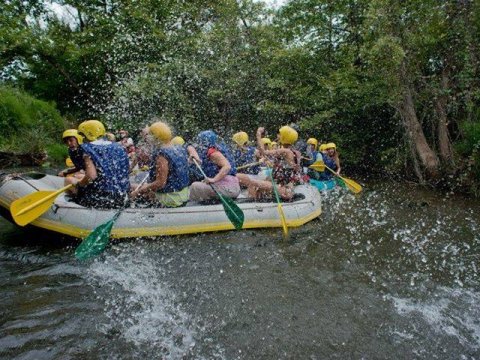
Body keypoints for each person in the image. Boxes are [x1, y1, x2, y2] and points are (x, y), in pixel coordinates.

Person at [130, 122, 190, 207]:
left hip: (172, 198)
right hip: (183, 195)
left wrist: (138, 191)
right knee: (141, 188)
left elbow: (160, 183)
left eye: (150, 135)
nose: (147, 138)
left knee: (133, 188)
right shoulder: (178, 148)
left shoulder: (162, 155)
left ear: (156, 137)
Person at [74, 120, 130, 208]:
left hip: (100, 198)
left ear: (86, 135)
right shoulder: (118, 147)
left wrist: (79, 185)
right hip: (122, 197)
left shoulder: (86, 148)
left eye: (82, 135)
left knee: (69, 181)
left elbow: (91, 176)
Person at [247, 126, 302, 200]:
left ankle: (253, 205)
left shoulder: (284, 151)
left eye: (280, 134)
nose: (278, 136)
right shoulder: (296, 152)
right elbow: (291, 170)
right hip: (287, 185)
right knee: (263, 183)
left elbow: (264, 152)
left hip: (284, 188)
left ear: (285, 137)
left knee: (252, 184)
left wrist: (258, 134)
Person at [189, 130, 240, 201]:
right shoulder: (217, 148)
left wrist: (213, 180)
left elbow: (227, 166)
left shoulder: (212, 153)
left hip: (228, 189)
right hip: (231, 187)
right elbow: (190, 147)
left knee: (194, 186)